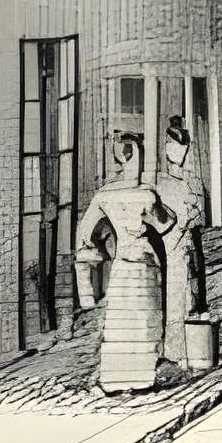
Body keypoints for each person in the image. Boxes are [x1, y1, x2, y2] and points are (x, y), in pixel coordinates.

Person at [73, 134, 175, 393]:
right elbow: (166, 224)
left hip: (122, 266)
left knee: (122, 322)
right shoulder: (146, 193)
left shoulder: (104, 195)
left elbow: (85, 235)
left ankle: (117, 380)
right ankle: (141, 378)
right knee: (141, 321)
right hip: (145, 262)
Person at [154, 115, 209, 371]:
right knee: (170, 295)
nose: (177, 151)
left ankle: (191, 351)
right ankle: (172, 350)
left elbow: (200, 215)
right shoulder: (158, 183)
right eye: (172, 145)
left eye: (181, 146)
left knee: (192, 296)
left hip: (188, 244)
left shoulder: (193, 183)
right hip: (166, 246)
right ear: (165, 147)